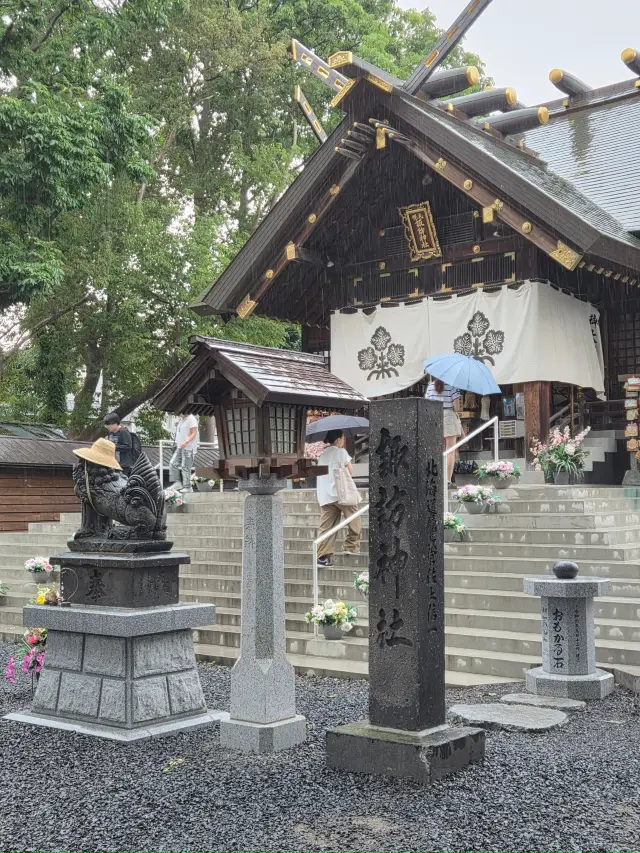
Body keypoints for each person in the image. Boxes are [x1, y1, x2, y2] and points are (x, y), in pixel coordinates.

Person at [316, 429, 361, 567]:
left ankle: (322, 556)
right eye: (343, 438)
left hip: (325, 495)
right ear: (338, 440)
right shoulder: (341, 452)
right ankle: (351, 547)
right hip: (341, 493)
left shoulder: (323, 454)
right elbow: (350, 471)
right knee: (354, 518)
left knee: (327, 526)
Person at [426, 378, 462, 485]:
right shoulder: (452, 386)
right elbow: (457, 407)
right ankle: (447, 480)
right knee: (450, 451)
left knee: (438, 451)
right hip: (448, 417)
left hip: (434, 417)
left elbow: (426, 404)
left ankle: (438, 479)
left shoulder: (430, 386)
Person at [169, 413, 199, 493]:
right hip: (180, 447)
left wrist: (186, 441)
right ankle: (177, 482)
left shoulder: (191, 419)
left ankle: (188, 487)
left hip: (189, 448)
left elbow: (194, 432)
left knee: (185, 467)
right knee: (172, 463)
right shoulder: (181, 420)